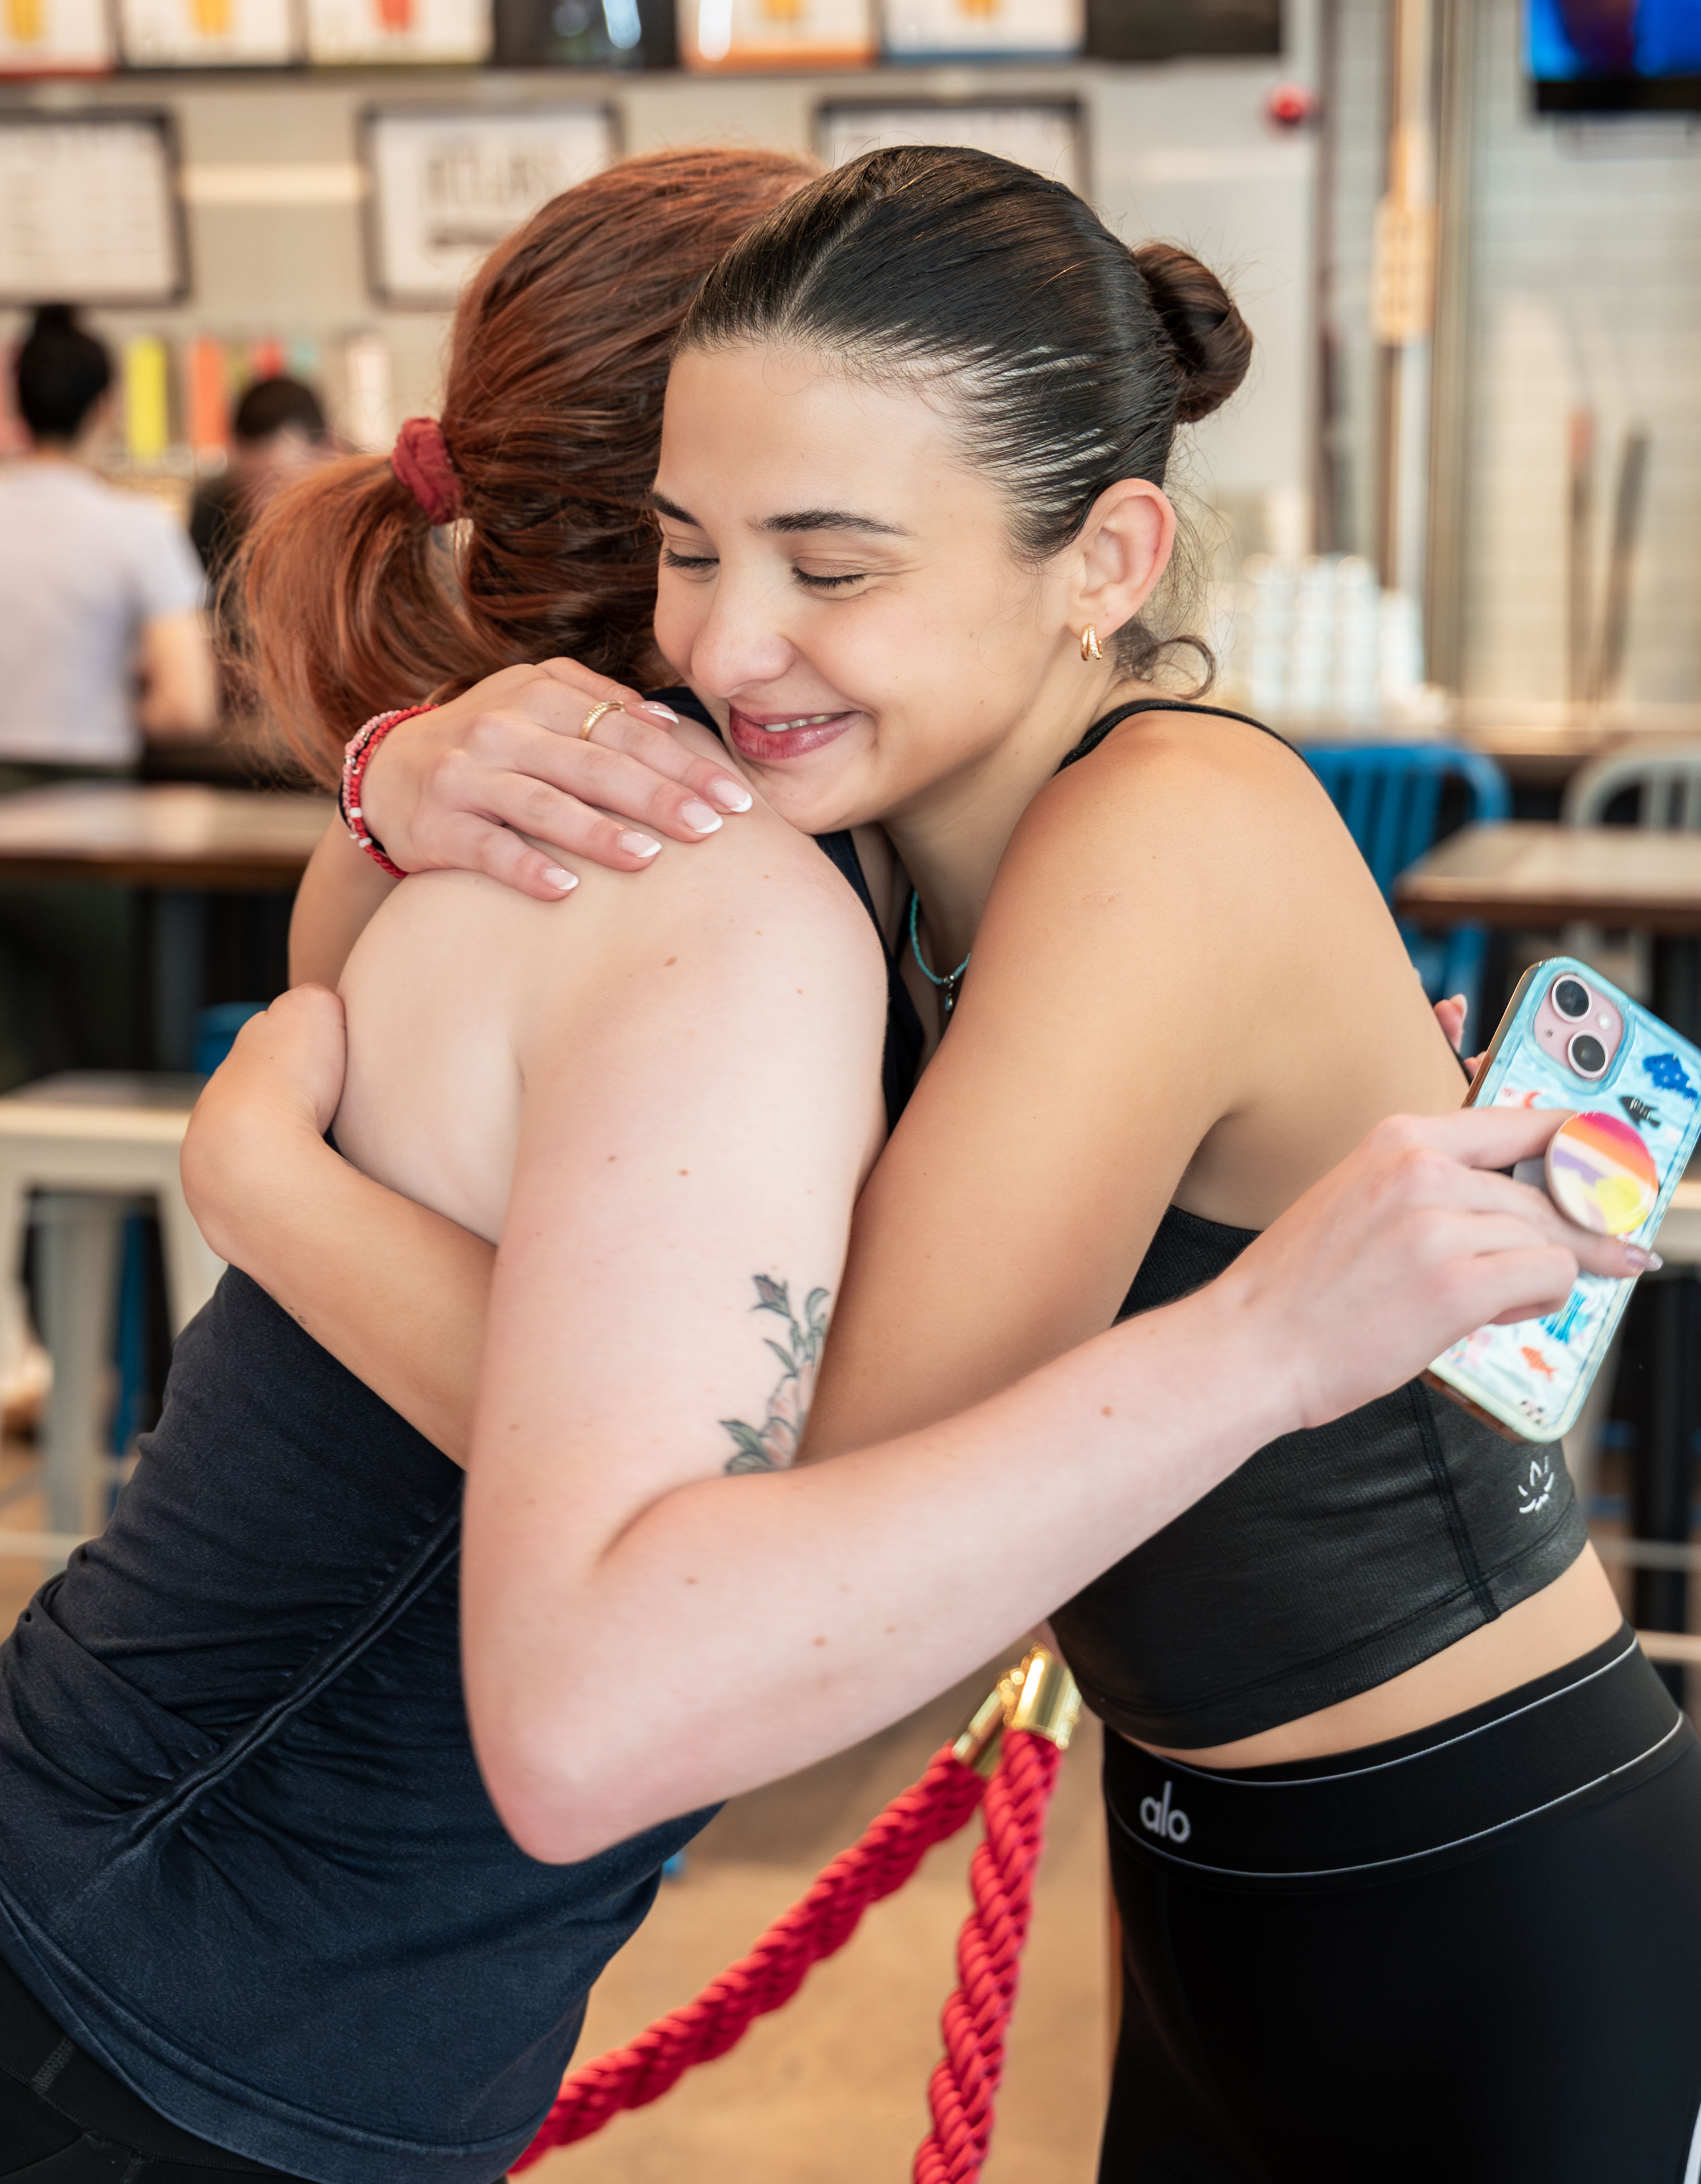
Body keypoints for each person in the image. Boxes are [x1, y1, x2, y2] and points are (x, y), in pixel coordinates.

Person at [0, 150, 1627, 2184]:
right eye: (695, 544)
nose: (746, 633)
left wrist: (278, 1201)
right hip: (1213, 1854)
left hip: (1479, 1854)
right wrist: (391, 768)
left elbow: (786, 1522)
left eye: (830, 558)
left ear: (1103, 553)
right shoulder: (863, 860)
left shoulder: (1149, 835)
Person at [0, 306, 217, 1080]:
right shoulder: (135, 530)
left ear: (15, 405)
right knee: (118, 1065)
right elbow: (188, 709)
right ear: (105, 408)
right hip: (88, 819)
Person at [189, 373, 332, 593]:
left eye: (278, 484)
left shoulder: (355, 527)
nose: (259, 507)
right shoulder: (212, 516)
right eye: (247, 485)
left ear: (326, 454)